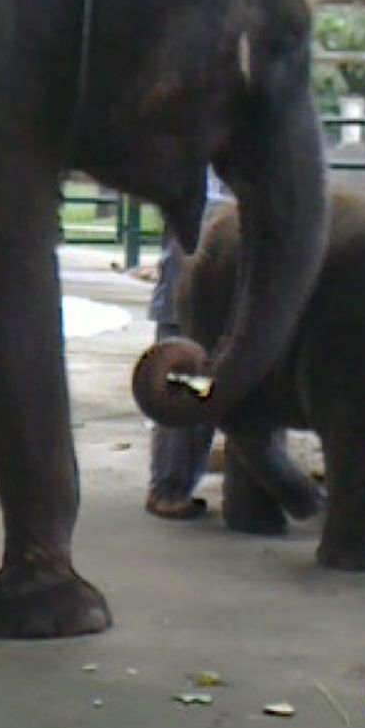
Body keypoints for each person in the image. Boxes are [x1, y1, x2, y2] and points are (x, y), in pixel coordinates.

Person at [144, 176, 226, 518]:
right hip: (195, 290)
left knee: (191, 384)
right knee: (185, 385)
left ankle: (171, 485)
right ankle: (169, 487)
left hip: (201, 289)